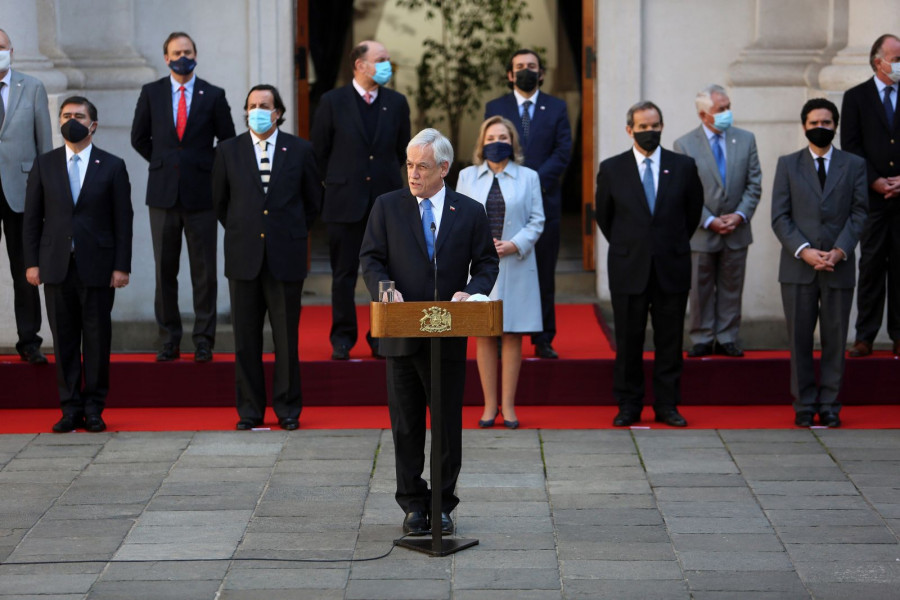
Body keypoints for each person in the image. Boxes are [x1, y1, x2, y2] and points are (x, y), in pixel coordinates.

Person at [359, 128, 498, 536]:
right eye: (409, 165)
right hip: (401, 330)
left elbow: (487, 264)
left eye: (421, 166)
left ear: (444, 168)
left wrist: (472, 293)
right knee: (405, 424)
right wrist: (386, 291)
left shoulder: (469, 211)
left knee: (446, 425)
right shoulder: (387, 207)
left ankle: (442, 502)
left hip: (448, 332)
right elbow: (371, 258)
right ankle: (412, 504)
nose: (413, 174)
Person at [212, 84, 321, 432]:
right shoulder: (228, 150)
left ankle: (288, 409)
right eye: (252, 105)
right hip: (243, 256)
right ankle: (249, 410)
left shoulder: (300, 150)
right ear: (245, 111)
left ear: (278, 112)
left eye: (265, 105)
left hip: (285, 257)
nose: (258, 110)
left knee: (286, 339)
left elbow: (312, 202)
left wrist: (286, 232)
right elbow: (220, 203)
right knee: (246, 339)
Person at [23, 96, 133, 433]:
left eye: (80, 116)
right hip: (56, 265)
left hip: (98, 267)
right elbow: (32, 219)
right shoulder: (45, 164)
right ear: (59, 122)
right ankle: (70, 407)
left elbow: (123, 220)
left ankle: (95, 406)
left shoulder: (112, 165)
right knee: (64, 338)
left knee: (97, 339)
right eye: (67, 115)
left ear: (93, 125)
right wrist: (32, 263)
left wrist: (121, 267)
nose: (73, 120)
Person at [595, 101, 703, 428]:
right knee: (629, 341)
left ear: (662, 127)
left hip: (672, 266)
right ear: (630, 130)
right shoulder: (612, 168)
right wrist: (634, 246)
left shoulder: (683, 166)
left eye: (654, 126)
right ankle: (629, 405)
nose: (649, 131)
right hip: (629, 268)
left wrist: (665, 244)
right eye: (642, 127)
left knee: (669, 341)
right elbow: (605, 218)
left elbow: (692, 213)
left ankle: (667, 405)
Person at [131, 31, 235, 363]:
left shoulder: (213, 94)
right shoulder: (152, 92)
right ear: (166, 58)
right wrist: (164, 164)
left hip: (202, 194)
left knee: (204, 271)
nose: (182, 56)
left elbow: (228, 142)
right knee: (165, 271)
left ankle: (204, 339)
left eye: (187, 51)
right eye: (176, 52)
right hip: (162, 195)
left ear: (196, 54)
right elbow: (139, 137)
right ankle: (168, 340)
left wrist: (205, 167)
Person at [312, 40, 411, 361]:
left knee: (385, 274)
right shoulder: (332, 101)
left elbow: (402, 151)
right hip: (344, 201)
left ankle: (380, 335)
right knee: (343, 274)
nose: (387, 65)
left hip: (385, 203)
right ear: (360, 65)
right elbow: (320, 153)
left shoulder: (396, 103)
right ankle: (342, 338)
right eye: (381, 59)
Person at [772, 99, 868, 428]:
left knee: (835, 338)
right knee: (799, 339)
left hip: (838, 265)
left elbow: (859, 213)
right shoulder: (787, 164)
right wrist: (804, 250)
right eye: (814, 122)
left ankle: (829, 405)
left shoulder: (854, 165)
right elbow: (780, 217)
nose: (820, 128)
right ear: (804, 126)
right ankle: (803, 404)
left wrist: (840, 250)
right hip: (798, 267)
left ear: (835, 126)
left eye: (827, 122)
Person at [456, 116, 544, 429]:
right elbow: (458, 218)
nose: (497, 141)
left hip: (517, 262)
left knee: (511, 333)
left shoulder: (529, 176)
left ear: (513, 142)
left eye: (503, 136)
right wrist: (480, 247)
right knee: (483, 332)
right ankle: (488, 406)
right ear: (482, 142)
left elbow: (537, 220)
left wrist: (513, 244)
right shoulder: (467, 176)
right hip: (480, 266)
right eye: (492, 136)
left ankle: (508, 407)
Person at [484, 48, 572, 360]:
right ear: (510, 75)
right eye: (520, 66)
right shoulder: (496, 107)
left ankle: (543, 337)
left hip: (543, 203)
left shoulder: (557, 107)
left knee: (543, 272)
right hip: (500, 205)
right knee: (498, 270)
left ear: (541, 73)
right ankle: (497, 329)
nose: (526, 70)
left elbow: (563, 152)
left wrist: (530, 183)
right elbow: (490, 148)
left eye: (531, 66)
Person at [674, 84, 762, 358]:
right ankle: (702, 337)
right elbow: (683, 190)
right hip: (701, 232)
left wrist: (738, 215)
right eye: (720, 109)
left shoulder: (746, 139)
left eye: (728, 107)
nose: (727, 113)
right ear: (704, 115)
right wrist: (709, 219)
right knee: (700, 289)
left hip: (737, 229)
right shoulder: (685, 144)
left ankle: (727, 337)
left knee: (732, 286)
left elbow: (754, 183)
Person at [841, 33, 900, 357]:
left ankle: (899, 335)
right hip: (873, 199)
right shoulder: (856, 97)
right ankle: (865, 335)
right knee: (872, 265)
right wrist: (874, 180)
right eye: (896, 58)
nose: (899, 64)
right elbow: (851, 146)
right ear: (878, 61)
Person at [0, 28, 53, 364]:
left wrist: (46, 194)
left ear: (12, 50)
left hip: (21, 190)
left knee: (26, 267)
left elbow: (44, 146)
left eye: (0, 46)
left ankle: (29, 340)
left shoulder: (32, 87)